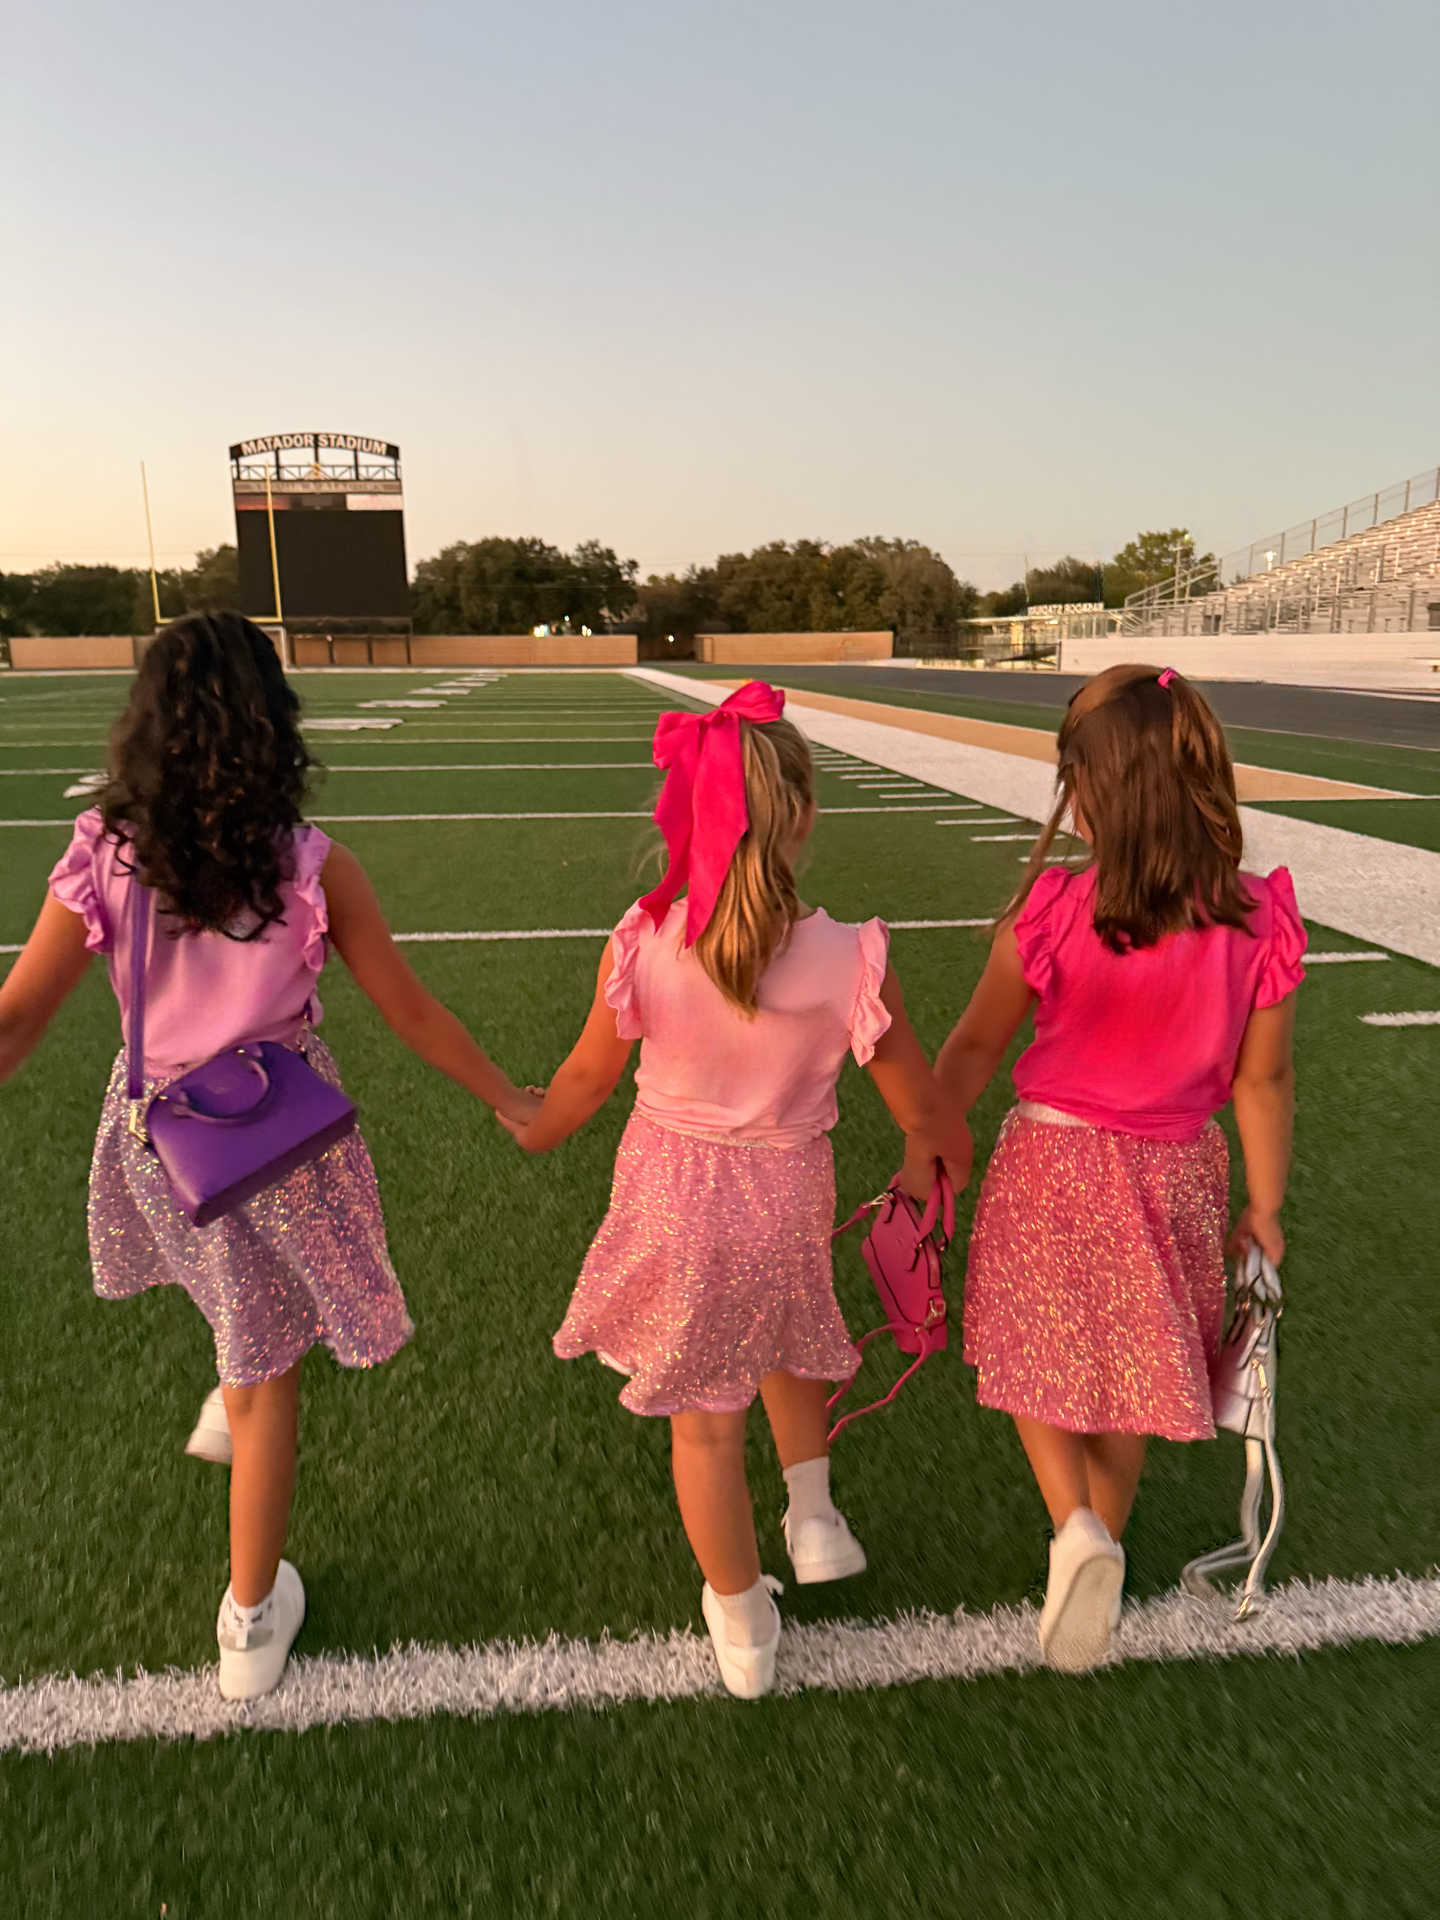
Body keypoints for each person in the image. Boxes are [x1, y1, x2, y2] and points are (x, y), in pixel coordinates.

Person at [0, 614, 537, 1702]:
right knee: (266, 1377)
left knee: (239, 1305)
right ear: (272, 723)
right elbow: (411, 1012)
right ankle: (249, 1615)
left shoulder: (105, 853)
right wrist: (508, 1098)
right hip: (281, 1134)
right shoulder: (311, 863)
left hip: (162, 1137)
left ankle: (240, 1454)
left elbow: (14, 1022)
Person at [499, 682, 971, 1699]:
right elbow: (918, 1100)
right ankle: (814, 1511)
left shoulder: (645, 939)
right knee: (790, 1331)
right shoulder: (850, 954)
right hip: (789, 1194)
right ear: (802, 814)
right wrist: (940, 1151)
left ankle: (744, 1618)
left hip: (676, 1199)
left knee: (708, 1424)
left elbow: (584, 1081)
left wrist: (533, 1125)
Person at [935, 664, 1304, 1672]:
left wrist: (933, 1135)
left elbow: (975, 1045)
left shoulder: (1055, 910)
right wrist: (1266, 1204)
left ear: (1092, 790)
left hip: (1052, 1159)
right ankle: (1103, 1542)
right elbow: (1263, 1078)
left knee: (1032, 1354)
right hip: (1177, 1173)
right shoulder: (1258, 917)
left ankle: (1076, 1530)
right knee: (1135, 1376)